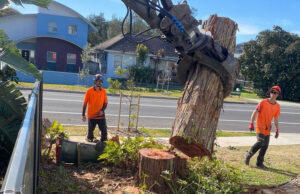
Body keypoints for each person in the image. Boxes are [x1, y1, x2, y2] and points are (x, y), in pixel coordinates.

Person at [245, 86, 281, 168]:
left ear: (278, 94)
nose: (273, 94)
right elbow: (255, 112)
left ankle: (259, 163)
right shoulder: (263, 102)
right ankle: (248, 155)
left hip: (267, 128)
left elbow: (275, 118)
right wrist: (251, 123)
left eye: (275, 92)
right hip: (259, 125)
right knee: (260, 142)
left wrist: (277, 129)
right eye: (272, 91)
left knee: (265, 146)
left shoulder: (277, 106)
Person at [82, 74, 108, 142]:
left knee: (104, 132)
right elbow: (85, 103)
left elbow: (105, 103)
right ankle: (90, 137)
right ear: (95, 81)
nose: (99, 83)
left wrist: (102, 110)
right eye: (98, 81)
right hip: (91, 115)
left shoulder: (103, 91)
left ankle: (103, 141)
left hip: (101, 115)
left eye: (101, 82)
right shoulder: (89, 91)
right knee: (90, 134)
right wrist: (83, 115)